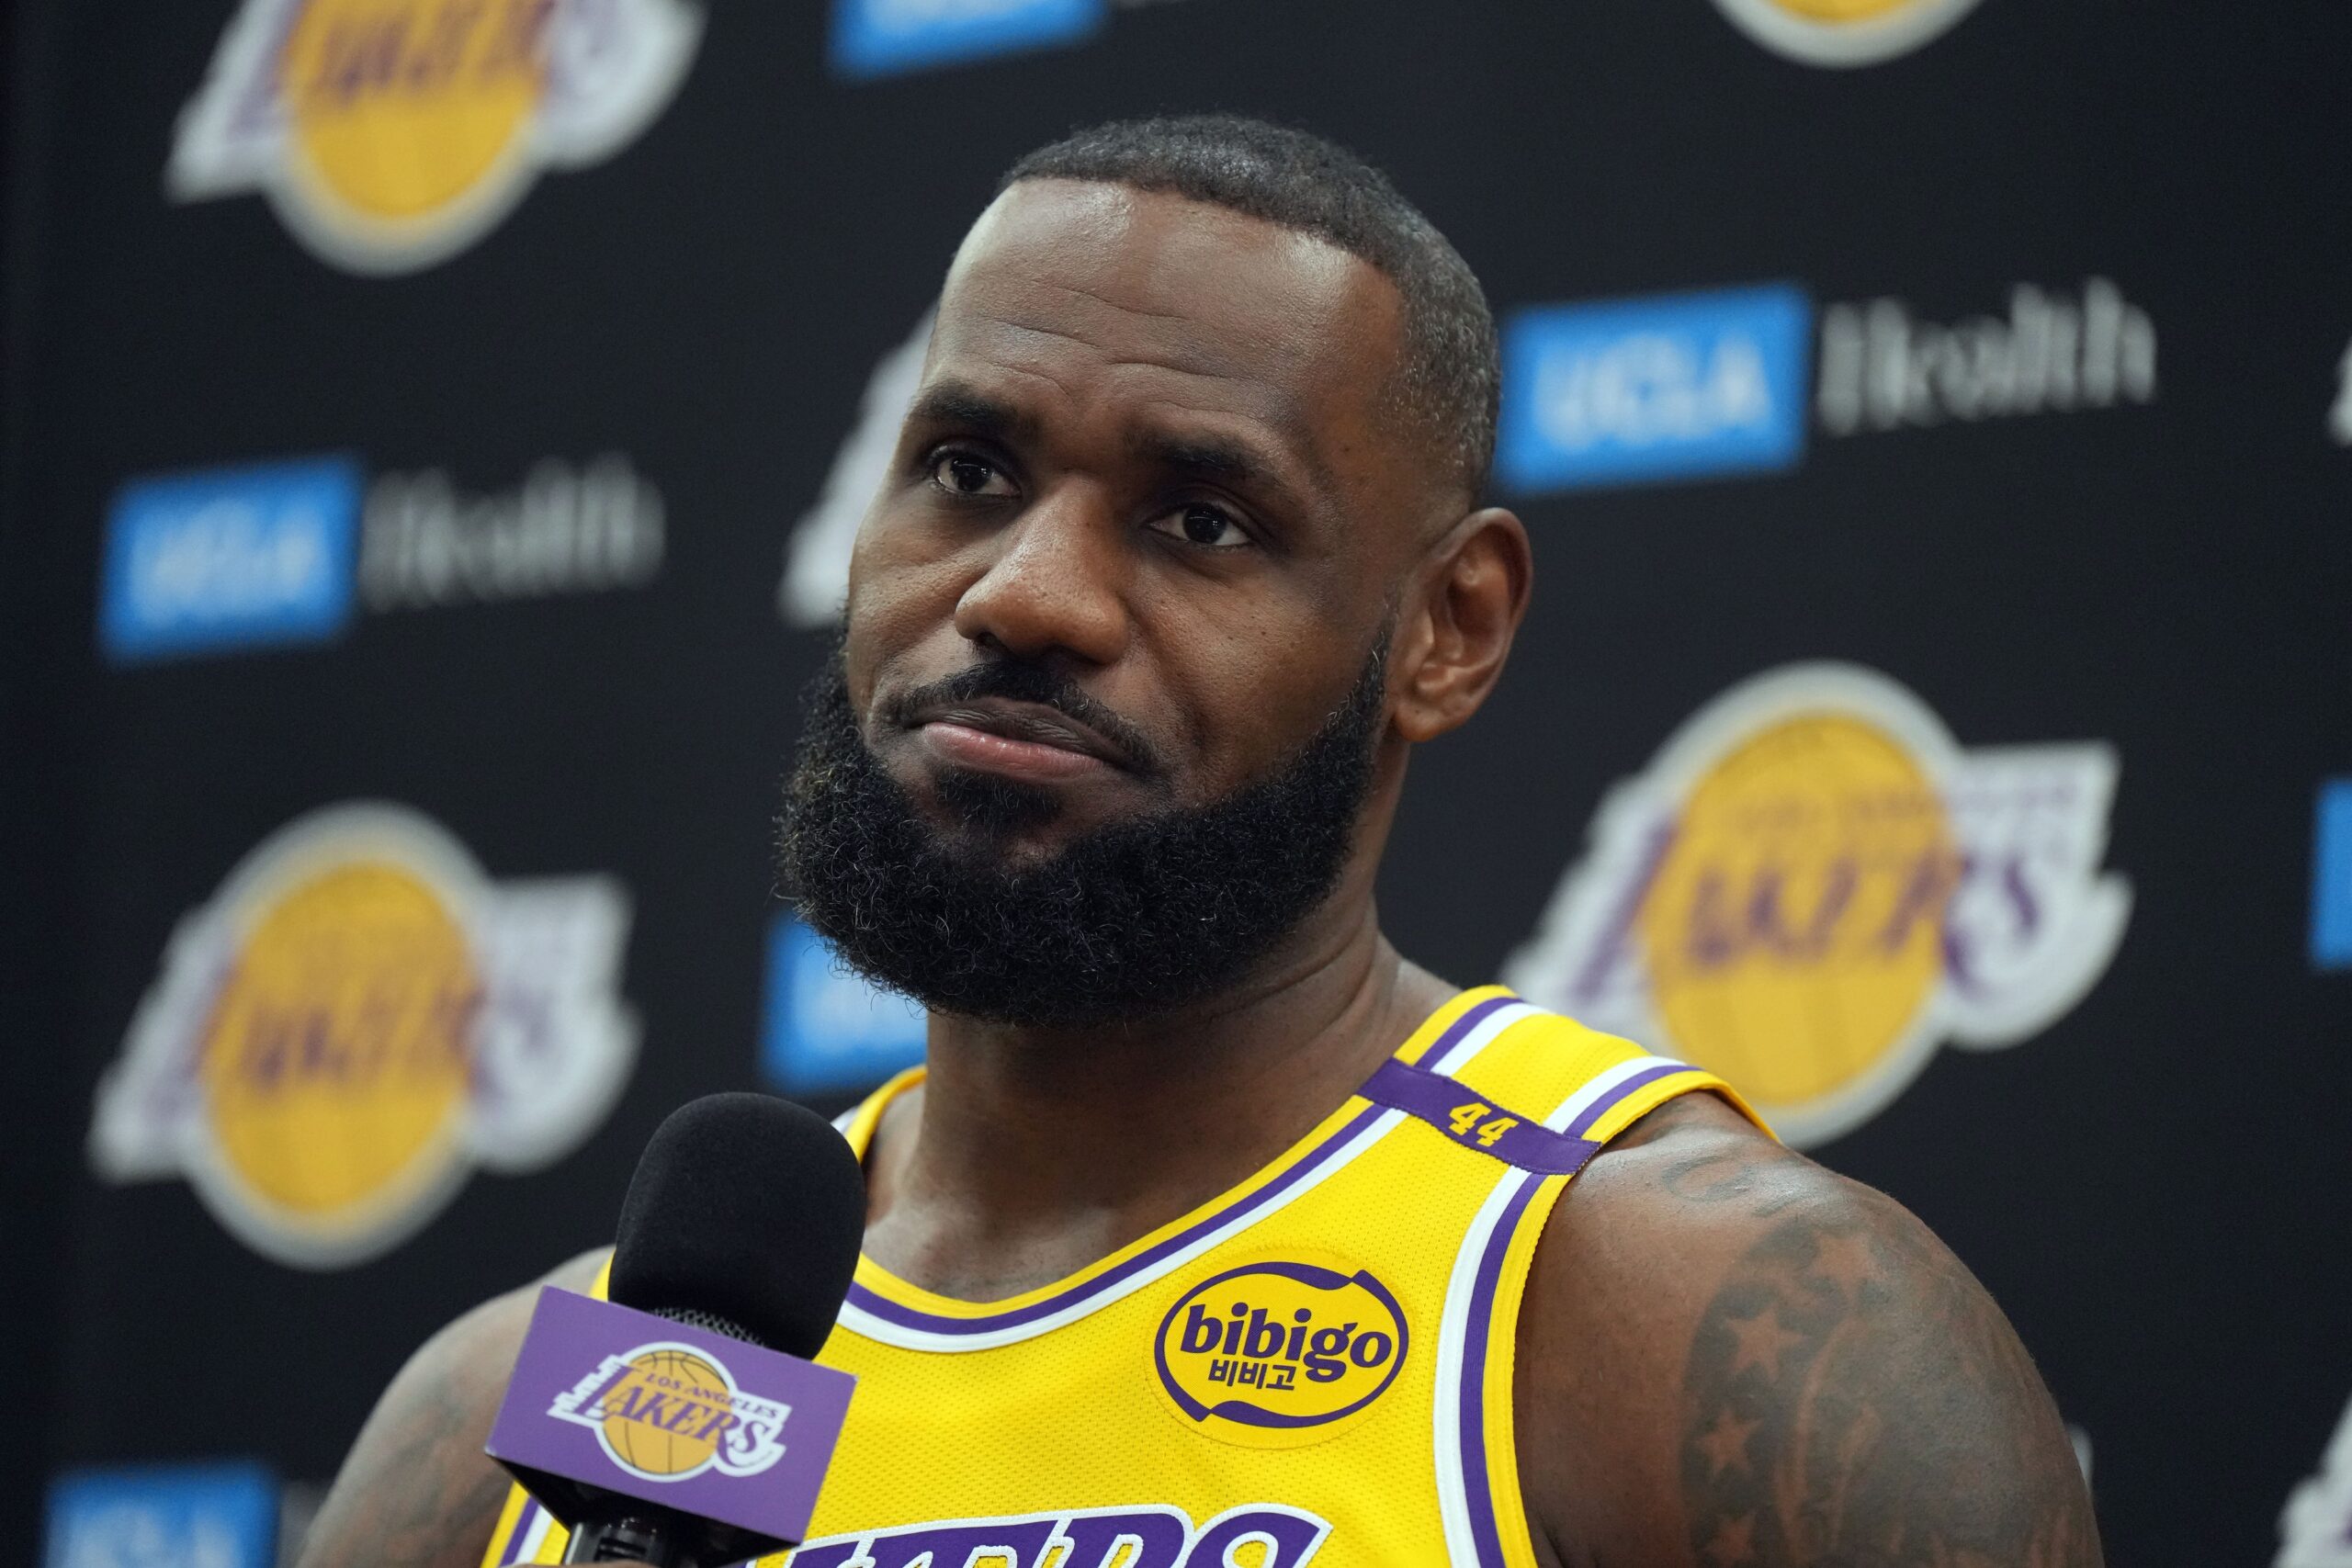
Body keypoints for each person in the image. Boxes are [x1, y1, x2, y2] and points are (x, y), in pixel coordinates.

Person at [299, 116, 2100, 1568]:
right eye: (968, 471)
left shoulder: (1700, 1325)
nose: (1022, 595)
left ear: (1447, 627)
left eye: (1198, 520)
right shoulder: (514, 1430)